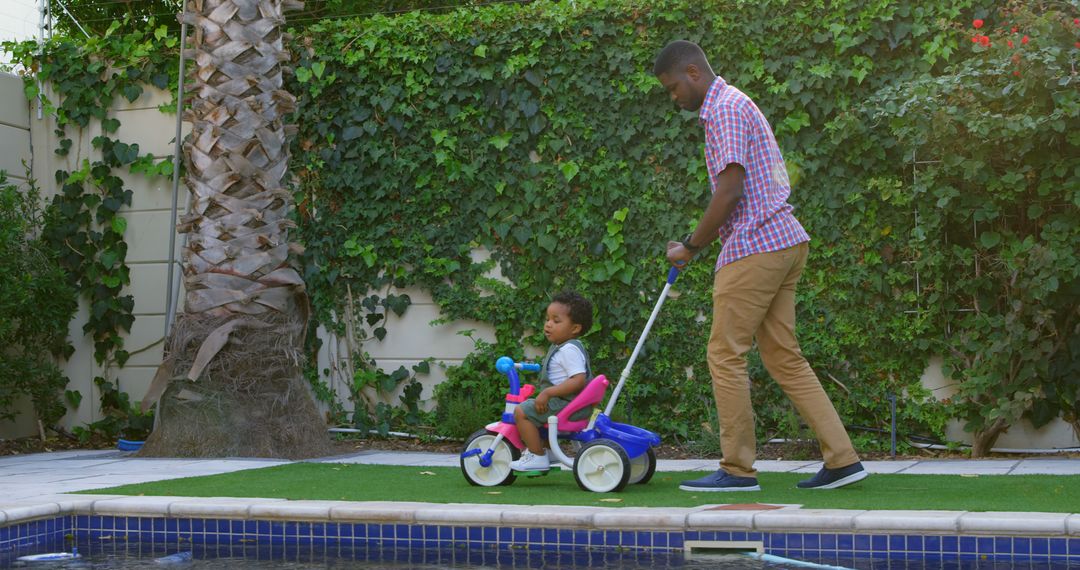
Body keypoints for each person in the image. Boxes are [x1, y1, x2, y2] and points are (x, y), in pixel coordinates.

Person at [652, 40, 867, 491]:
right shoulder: (736, 102)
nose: (674, 98)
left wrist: (691, 245)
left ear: (693, 72)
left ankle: (737, 469)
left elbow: (729, 192)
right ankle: (843, 459)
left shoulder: (723, 110)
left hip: (755, 247)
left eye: (673, 88)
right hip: (783, 242)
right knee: (784, 357)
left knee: (724, 354)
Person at [508, 291, 594, 472]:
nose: (548, 324)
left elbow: (578, 380)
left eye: (556, 321)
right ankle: (549, 451)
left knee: (522, 411)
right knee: (538, 410)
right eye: (547, 319)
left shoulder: (568, 350)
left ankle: (537, 456)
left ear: (575, 328)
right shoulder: (562, 347)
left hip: (567, 405)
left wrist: (547, 392)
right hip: (570, 404)